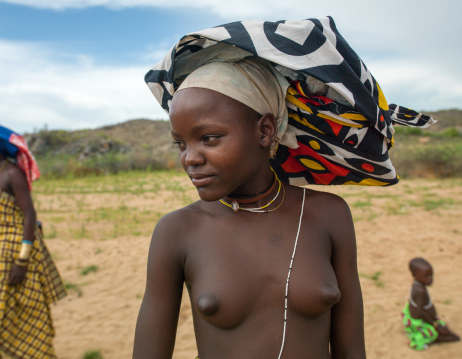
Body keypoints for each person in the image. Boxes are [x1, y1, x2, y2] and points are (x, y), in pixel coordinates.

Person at [133, 17, 434, 358]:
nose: (190, 158)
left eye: (209, 138)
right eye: (180, 144)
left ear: (264, 131)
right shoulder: (177, 231)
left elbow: (352, 351)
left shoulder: (329, 216)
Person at [0, 124, 67, 359]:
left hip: (13, 256)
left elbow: (30, 215)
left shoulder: (11, 173)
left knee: (23, 314)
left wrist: (22, 260)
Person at [402, 257, 460, 350]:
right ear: (414, 275)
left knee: (448, 331)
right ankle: (434, 339)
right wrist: (434, 325)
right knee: (454, 338)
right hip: (422, 322)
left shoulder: (416, 285)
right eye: (426, 276)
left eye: (431, 275)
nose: (430, 279)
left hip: (426, 319)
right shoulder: (421, 291)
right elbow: (419, 313)